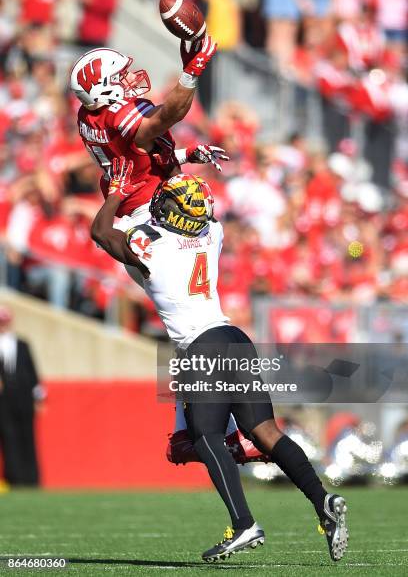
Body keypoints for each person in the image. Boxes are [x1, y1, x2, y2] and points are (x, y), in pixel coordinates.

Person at [90, 160, 349, 563]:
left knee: (204, 438)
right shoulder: (213, 233)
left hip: (200, 347)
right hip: (234, 338)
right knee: (265, 431)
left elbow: (101, 232)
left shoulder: (151, 245)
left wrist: (117, 192)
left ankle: (244, 523)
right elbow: (181, 212)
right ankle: (322, 500)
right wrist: (182, 158)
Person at [69, 37, 267, 465]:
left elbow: (138, 155)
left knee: (189, 328)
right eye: (118, 77)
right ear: (104, 89)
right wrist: (193, 69)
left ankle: (185, 432)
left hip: (138, 208)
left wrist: (184, 153)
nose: (129, 78)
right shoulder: (118, 113)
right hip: (140, 219)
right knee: (194, 322)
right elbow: (161, 119)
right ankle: (220, 432)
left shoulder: (90, 113)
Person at [0, 306, 45, 486]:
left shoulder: (21, 344)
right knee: (8, 437)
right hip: (3, 399)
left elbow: (33, 372)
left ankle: (31, 478)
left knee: (28, 436)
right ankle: (15, 478)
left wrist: (39, 397)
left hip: (23, 395)